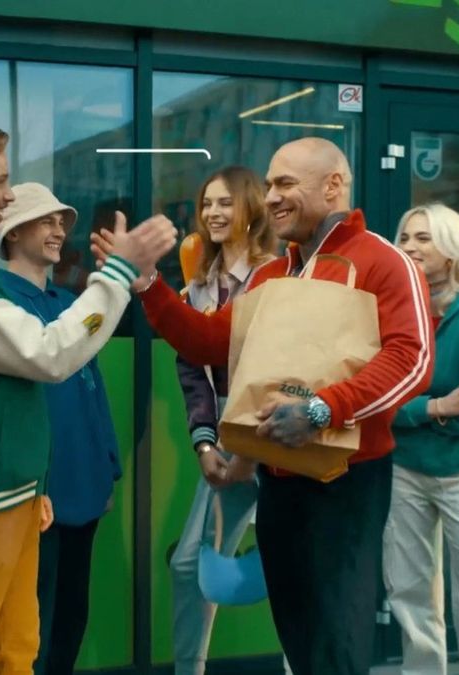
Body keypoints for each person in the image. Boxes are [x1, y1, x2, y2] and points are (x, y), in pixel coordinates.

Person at [92, 136, 433, 674]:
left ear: (334, 186)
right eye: (270, 184)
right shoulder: (271, 274)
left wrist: (322, 410)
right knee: (299, 636)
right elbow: (209, 344)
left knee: (337, 643)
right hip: (279, 480)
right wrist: (149, 284)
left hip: (347, 482)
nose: (270, 196)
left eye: (285, 183)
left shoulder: (384, 260)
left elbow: (411, 360)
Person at [0, 127, 175, 675]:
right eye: (0, 181)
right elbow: (48, 354)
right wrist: (118, 273)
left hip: (10, 496)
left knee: (17, 649)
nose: (8, 196)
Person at [0, 183, 122, 675]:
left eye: (61, 222)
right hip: (34, 494)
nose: (59, 231)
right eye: (46, 220)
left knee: (71, 615)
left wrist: (108, 464)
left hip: (85, 484)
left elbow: (93, 387)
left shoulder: (69, 300)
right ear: (13, 231)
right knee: (29, 629)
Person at [168, 166, 284, 675]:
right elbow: (192, 371)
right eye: (206, 203)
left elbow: (284, 368)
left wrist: (250, 451)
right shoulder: (199, 285)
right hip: (225, 442)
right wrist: (204, 443)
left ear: (251, 209)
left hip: (281, 439)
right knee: (189, 566)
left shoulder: (278, 276)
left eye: (224, 203)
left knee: (295, 568)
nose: (212, 213)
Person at [384, 203, 459, 675]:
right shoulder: (394, 314)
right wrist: (434, 408)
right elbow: (379, 403)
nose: (410, 246)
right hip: (405, 471)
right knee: (409, 592)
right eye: (405, 237)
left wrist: (409, 413)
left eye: (424, 238)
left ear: (452, 250)